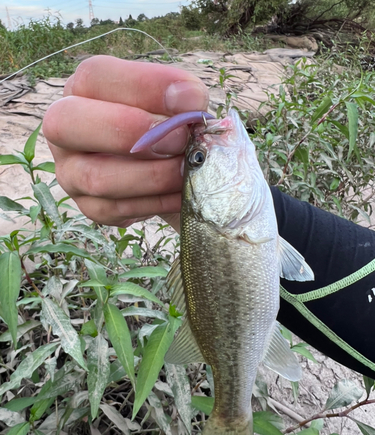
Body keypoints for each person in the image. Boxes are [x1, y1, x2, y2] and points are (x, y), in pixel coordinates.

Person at [43, 55, 375, 380]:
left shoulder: (236, 222)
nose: (204, 145)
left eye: (198, 157)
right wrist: (175, 200)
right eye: (200, 157)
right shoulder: (240, 219)